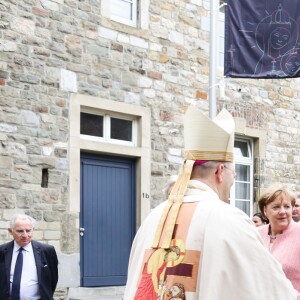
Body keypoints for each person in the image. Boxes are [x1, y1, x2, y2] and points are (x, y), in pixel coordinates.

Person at [124, 106, 297, 300]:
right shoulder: (229, 219)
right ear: (220, 172)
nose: (233, 182)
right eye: (234, 175)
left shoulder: (154, 217)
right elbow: (271, 290)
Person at [0, 213, 58, 300]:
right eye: (20, 231)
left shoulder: (47, 251)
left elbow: (52, 280)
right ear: (10, 231)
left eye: (28, 230)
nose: (25, 235)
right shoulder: (2, 251)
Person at [258, 188, 300, 295]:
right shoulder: (256, 234)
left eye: (287, 206)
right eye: (276, 207)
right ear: (265, 211)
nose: (282, 211)